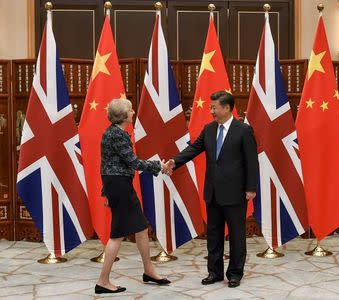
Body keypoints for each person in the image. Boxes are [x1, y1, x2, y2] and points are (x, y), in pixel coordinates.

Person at [164, 91, 259, 288]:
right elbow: (194, 149)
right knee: (214, 235)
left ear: (226, 108)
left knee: (236, 236)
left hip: (235, 193)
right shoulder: (208, 129)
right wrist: (175, 161)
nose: (211, 111)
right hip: (213, 192)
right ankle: (214, 272)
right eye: (211, 107)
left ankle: (234, 274)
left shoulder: (243, 130)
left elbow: (252, 161)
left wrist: (251, 187)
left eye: (214, 107)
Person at [96, 98, 172, 294]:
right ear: (123, 116)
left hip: (118, 184)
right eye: (130, 110)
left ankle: (149, 271)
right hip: (120, 185)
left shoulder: (112, 132)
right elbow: (132, 162)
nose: (133, 113)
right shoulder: (118, 135)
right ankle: (103, 281)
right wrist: (159, 167)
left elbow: (105, 164)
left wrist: (106, 190)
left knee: (140, 229)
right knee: (117, 235)